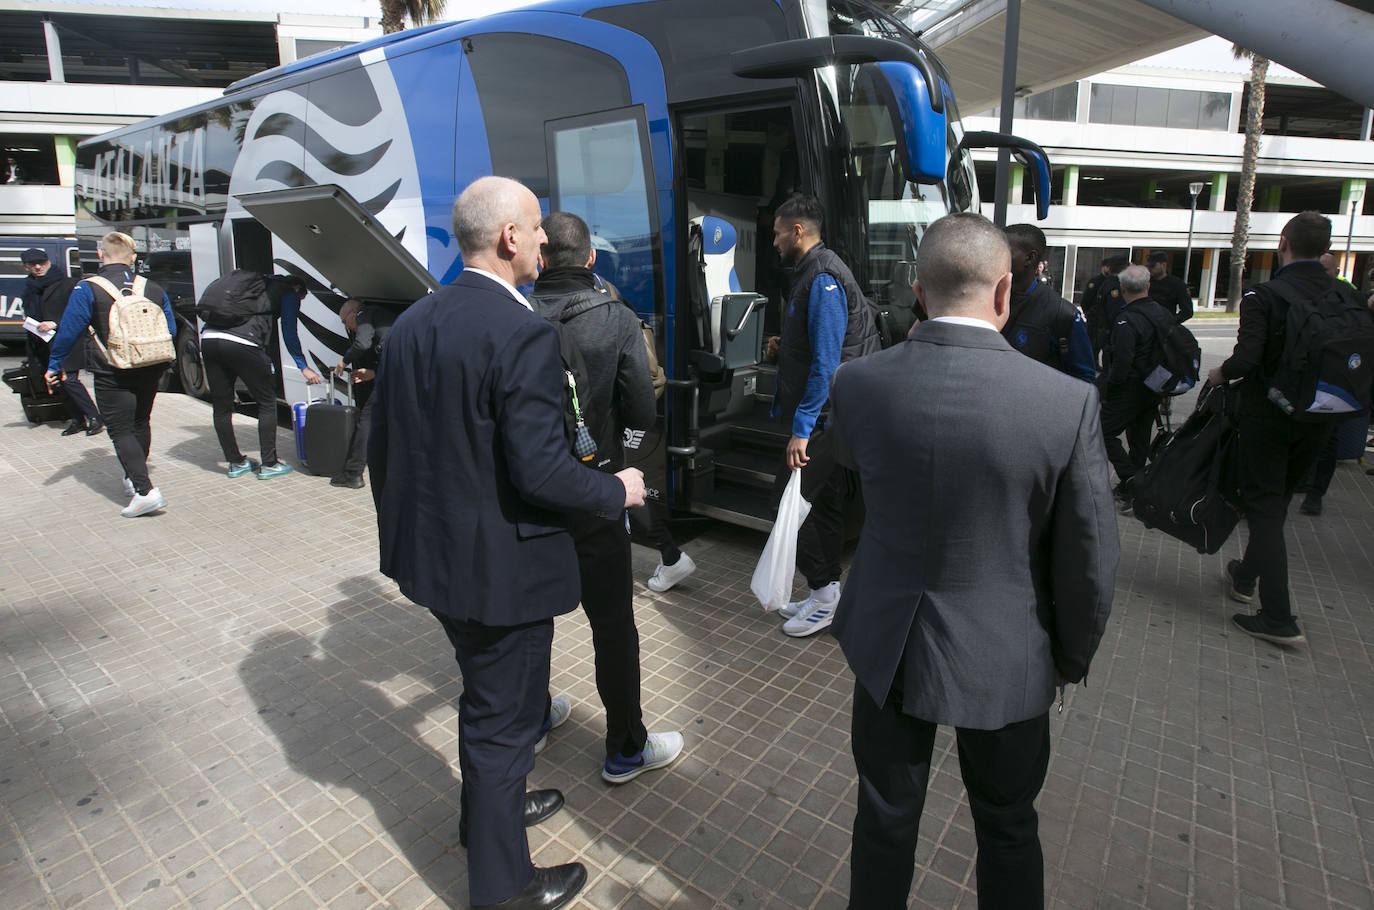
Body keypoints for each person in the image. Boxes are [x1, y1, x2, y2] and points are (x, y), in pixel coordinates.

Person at [369, 176, 646, 910]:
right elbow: (543, 471)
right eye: (536, 228)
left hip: (433, 564)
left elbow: (386, 451)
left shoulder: (414, 322)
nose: (548, 242)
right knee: (504, 724)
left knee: (486, 704)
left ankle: (486, 817)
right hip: (499, 575)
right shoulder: (519, 332)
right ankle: (505, 888)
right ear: (509, 239)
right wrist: (618, 489)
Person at [827, 212, 1118, 909]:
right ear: (1004, 292)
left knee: (884, 819)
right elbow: (1090, 557)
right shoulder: (1066, 402)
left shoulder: (857, 384)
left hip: (887, 639)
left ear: (919, 292)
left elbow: (844, 494)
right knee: (1009, 826)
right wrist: (1069, 657)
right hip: (1010, 650)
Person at [527, 211, 685, 783]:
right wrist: (625, 467)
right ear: (591, 259)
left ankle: (537, 718)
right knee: (613, 624)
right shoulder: (615, 318)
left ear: (540, 258)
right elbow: (643, 411)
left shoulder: (516, 312)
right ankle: (624, 749)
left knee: (532, 617)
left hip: (531, 497)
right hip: (597, 491)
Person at [1207, 211, 1350, 646]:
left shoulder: (1266, 295)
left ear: (1283, 242)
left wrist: (1218, 375)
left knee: (1264, 508)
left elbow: (1247, 360)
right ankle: (1246, 575)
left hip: (1269, 416)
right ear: (1324, 248)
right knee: (1278, 500)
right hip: (1323, 414)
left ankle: (1278, 617)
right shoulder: (1345, 295)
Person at [767, 193, 880, 638]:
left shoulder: (823, 276)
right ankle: (825, 592)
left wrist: (801, 429)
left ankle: (825, 595)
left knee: (789, 501)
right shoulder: (814, 272)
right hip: (826, 418)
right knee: (823, 502)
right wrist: (785, 344)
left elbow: (827, 362)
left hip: (822, 421)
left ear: (797, 231)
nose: (774, 242)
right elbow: (817, 344)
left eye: (777, 233)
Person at [45, 232, 176, 518]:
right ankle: (134, 477)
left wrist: (55, 364)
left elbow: (68, 332)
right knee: (141, 421)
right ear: (132, 258)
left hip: (111, 369)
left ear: (100, 254)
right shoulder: (152, 287)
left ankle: (145, 492)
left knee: (120, 429)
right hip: (151, 365)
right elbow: (171, 329)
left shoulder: (87, 288)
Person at [201, 273, 322, 479]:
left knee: (222, 407)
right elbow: (289, 332)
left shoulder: (255, 288)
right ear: (298, 288)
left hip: (209, 338)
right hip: (244, 343)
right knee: (267, 402)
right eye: (302, 298)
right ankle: (269, 464)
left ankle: (235, 462)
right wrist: (303, 366)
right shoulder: (289, 292)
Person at [1099, 265, 1165, 512]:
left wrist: (1108, 389)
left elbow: (1122, 362)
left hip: (1130, 388)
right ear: (1148, 287)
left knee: (1101, 431)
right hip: (1153, 387)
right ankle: (1134, 492)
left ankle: (1132, 481)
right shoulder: (1161, 313)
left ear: (1122, 289)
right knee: (1139, 439)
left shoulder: (1127, 319)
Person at [23, 249, 102, 436]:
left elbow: (80, 312)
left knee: (70, 380)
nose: (37, 267)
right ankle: (77, 419)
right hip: (43, 342)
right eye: (32, 264)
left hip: (67, 340)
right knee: (58, 381)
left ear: (48, 262)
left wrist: (55, 323)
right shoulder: (29, 287)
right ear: (25, 266)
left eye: (41, 262)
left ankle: (94, 417)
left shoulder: (68, 283)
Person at [1002, 224, 1096, 381]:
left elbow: (1083, 377)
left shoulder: (1063, 314)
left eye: (1004, 252)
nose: (994, 257)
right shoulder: (982, 300)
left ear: (1030, 258)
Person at [330, 298, 394, 489]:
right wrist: (373, 374)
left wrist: (344, 361)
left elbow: (362, 343)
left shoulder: (363, 314)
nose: (347, 327)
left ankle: (353, 473)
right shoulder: (381, 316)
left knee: (367, 419)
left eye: (344, 321)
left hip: (397, 365)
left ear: (353, 312)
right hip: (402, 365)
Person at [1081, 254, 1127, 366]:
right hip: (1102, 323)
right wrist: (1088, 314)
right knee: (1095, 349)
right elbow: (1086, 301)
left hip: (1102, 324)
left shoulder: (1109, 282)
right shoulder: (1111, 284)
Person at [1147, 251, 1193, 322]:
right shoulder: (1145, 282)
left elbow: (1187, 311)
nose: (1150, 269)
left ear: (1163, 265)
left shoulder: (1177, 284)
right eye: (1149, 266)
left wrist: (1170, 322)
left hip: (1164, 328)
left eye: (1153, 266)